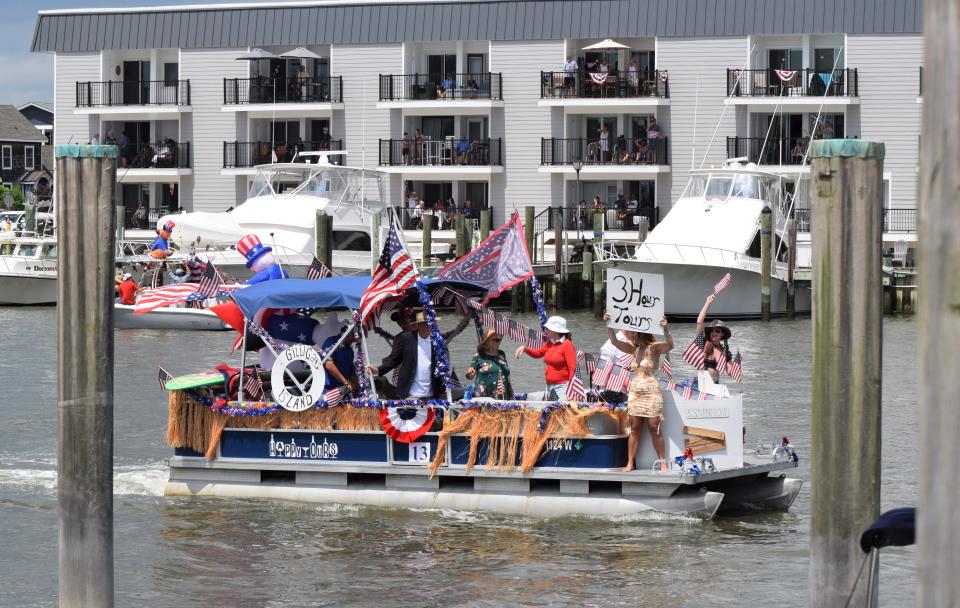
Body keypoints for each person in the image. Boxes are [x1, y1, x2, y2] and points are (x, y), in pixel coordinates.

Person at [603, 314, 674, 472]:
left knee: (654, 426)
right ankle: (629, 463)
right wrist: (609, 324)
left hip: (652, 392)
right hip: (636, 392)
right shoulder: (633, 349)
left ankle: (662, 462)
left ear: (640, 333)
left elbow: (670, 346)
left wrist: (665, 328)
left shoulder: (654, 347)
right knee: (635, 428)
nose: (630, 335)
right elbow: (614, 342)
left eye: (633, 332)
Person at [367, 312, 445, 399]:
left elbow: (441, 368)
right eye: (427, 323)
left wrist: (442, 391)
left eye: (432, 323)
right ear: (419, 325)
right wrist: (378, 369)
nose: (431, 326)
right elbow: (395, 360)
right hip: (410, 393)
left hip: (432, 394)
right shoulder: (407, 338)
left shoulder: (437, 341)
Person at [515, 316, 577, 402]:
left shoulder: (567, 345)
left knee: (561, 412)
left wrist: (570, 390)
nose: (545, 330)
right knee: (552, 413)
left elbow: (572, 368)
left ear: (555, 330)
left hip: (562, 387)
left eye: (547, 328)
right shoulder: (549, 343)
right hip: (549, 386)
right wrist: (525, 349)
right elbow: (538, 353)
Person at [694, 293, 733, 383]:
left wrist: (738, 362)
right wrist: (708, 303)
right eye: (712, 330)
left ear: (722, 334)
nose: (714, 333)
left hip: (715, 385)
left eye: (717, 331)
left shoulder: (725, 352)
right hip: (702, 384)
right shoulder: (703, 343)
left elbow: (731, 372)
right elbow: (699, 322)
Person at [465, 329, 513, 399]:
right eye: (496, 340)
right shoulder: (478, 356)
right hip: (484, 397)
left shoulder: (502, 354)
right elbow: (470, 376)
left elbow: (507, 375)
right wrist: (469, 373)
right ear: (487, 342)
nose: (499, 342)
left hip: (502, 395)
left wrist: (511, 392)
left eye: (500, 340)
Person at [598, 326, 637, 403]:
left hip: (636, 391)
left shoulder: (639, 342)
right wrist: (624, 379)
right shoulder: (610, 344)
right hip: (618, 393)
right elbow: (603, 372)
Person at [322, 327, 358, 395]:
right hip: (329, 391)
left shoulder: (350, 350)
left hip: (343, 389)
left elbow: (351, 372)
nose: (354, 340)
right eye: (354, 336)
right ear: (347, 334)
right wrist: (346, 383)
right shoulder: (331, 342)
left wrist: (356, 385)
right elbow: (329, 365)